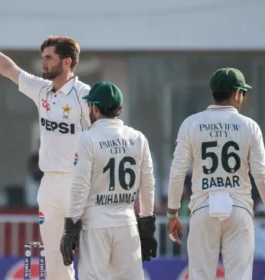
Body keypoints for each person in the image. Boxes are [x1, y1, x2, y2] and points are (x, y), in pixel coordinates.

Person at [0, 9, 91, 279]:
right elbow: (8, 69)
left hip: (80, 183)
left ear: (66, 62)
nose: (43, 63)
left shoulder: (86, 95)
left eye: (48, 59)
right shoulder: (42, 89)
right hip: (49, 183)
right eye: (42, 58)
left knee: (90, 255)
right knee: (55, 258)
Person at [167, 67, 265, 279]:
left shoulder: (191, 123)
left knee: (200, 275)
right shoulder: (250, 126)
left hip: (203, 206)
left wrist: (173, 213)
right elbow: (261, 175)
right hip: (239, 207)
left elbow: (177, 173)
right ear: (237, 93)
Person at [60, 82, 157, 279]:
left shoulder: (87, 139)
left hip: (95, 223)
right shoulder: (138, 138)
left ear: (94, 108)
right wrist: (147, 223)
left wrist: (71, 226)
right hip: (127, 221)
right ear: (119, 109)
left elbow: (80, 186)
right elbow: (148, 184)